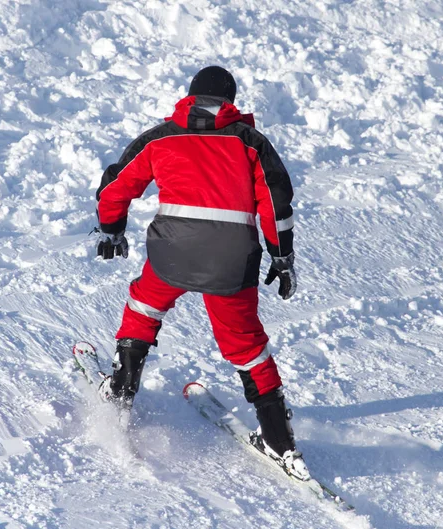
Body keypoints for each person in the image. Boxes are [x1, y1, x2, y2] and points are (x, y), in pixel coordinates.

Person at [94, 66, 309, 480]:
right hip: (231, 261)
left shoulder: (161, 136)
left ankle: (121, 388)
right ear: (230, 101)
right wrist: (282, 257)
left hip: (171, 254)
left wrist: (111, 229)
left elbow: (117, 184)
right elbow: (276, 204)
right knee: (245, 343)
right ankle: (280, 442)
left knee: (144, 303)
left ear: (190, 96)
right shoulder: (250, 142)